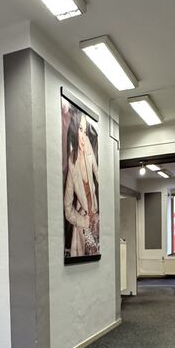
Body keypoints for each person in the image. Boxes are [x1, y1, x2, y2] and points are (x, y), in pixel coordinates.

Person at [63, 109, 100, 257]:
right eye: (80, 129)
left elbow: (100, 177)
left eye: (85, 131)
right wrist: (83, 221)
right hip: (83, 227)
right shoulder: (72, 164)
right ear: (74, 131)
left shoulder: (89, 151)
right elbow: (67, 210)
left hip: (96, 221)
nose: (84, 137)